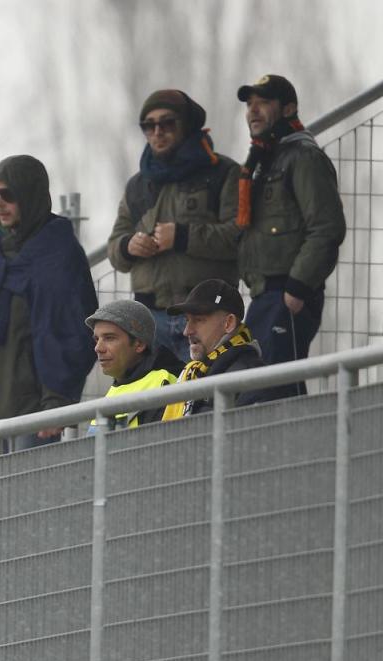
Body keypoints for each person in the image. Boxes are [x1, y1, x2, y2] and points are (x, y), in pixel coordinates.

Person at [0, 154, 98, 450]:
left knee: (27, 495)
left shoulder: (59, 250)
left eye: (8, 194)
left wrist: (56, 403)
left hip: (37, 411)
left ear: (29, 195)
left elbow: (74, 331)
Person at [107, 89, 241, 363]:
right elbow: (115, 248)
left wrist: (181, 237)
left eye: (167, 123)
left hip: (206, 315)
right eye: (149, 125)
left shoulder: (223, 172)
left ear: (188, 125)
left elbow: (238, 237)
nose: (157, 131)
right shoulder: (136, 185)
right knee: (155, 404)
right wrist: (129, 246)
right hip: (149, 319)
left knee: (207, 400)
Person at [236, 74, 345, 394]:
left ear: (288, 109)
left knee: (268, 392)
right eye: (249, 104)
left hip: (287, 293)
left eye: (263, 103)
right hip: (265, 295)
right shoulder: (266, 160)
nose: (253, 111)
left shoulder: (303, 156)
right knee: (271, 390)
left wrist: (297, 287)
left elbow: (327, 227)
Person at [161, 279, 292, 419]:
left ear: (228, 323)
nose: (187, 331)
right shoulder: (196, 371)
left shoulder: (250, 379)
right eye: (187, 320)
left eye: (198, 320)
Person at [86, 299, 184, 431]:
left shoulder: (164, 383)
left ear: (139, 344)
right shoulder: (117, 387)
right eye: (97, 339)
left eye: (109, 338)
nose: (98, 348)